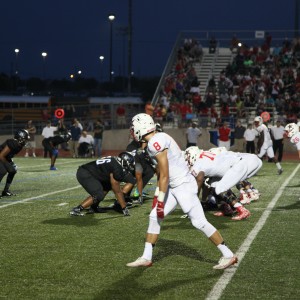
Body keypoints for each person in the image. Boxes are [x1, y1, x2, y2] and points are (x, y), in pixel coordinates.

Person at [126, 113, 237, 270]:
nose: (132, 131)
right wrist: (158, 196)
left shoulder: (155, 143)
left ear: (140, 127)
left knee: (198, 222)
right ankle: (146, 257)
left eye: (133, 128)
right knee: (154, 217)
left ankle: (228, 255)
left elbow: (164, 174)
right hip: (175, 185)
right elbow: (162, 174)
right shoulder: (157, 138)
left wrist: (160, 198)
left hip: (183, 185)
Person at [184, 147, 261, 220]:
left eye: (187, 158)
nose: (187, 161)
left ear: (192, 156)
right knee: (214, 185)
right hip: (240, 163)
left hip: (239, 164)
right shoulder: (204, 156)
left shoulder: (198, 164)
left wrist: (194, 201)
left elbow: (199, 180)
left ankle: (242, 209)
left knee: (220, 189)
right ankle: (230, 208)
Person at [69, 152, 136, 216]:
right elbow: (117, 191)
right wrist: (123, 207)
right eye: (129, 163)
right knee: (98, 194)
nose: (130, 166)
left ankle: (93, 207)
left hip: (88, 172)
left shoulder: (114, 161)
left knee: (107, 186)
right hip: (86, 173)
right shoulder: (117, 167)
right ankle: (77, 209)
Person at [0, 129, 30, 196]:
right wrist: (8, 164)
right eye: (25, 139)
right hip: (1, 157)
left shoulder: (19, 146)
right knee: (3, 171)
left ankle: (6, 191)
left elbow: (8, 155)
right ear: (20, 138)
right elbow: (1, 155)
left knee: (12, 171)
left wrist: (11, 163)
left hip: (3, 157)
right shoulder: (13, 143)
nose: (26, 141)